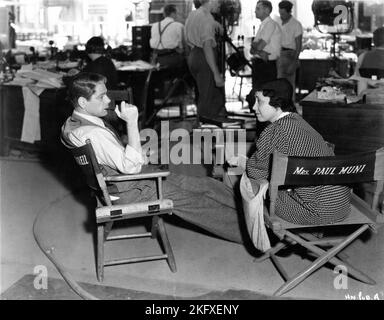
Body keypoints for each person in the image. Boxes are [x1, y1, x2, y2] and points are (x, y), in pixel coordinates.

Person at [61, 72, 244, 244]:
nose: (108, 101)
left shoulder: (73, 124)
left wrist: (140, 155)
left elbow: (113, 157)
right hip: (130, 190)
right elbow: (130, 167)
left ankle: (251, 212)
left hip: (124, 183)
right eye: (101, 97)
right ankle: (253, 235)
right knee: (199, 203)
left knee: (205, 184)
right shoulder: (93, 133)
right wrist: (132, 122)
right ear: (83, 102)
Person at [244, 79, 351, 225]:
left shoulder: (272, 131)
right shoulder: (300, 121)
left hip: (315, 212)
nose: (254, 107)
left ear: (277, 103)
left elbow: (256, 173)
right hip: (341, 205)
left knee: (249, 184)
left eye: (259, 101)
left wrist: (245, 164)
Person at [185, 0, 227, 120]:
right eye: (218, 2)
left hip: (193, 55)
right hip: (204, 57)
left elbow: (189, 34)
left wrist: (215, 24)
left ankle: (207, 126)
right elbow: (207, 46)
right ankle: (203, 130)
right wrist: (216, 74)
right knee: (207, 98)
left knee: (211, 95)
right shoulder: (207, 19)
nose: (220, 5)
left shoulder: (193, 14)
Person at [250, 0, 281, 90]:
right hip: (260, 63)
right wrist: (259, 52)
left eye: (258, 8)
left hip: (266, 65)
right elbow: (251, 50)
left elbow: (258, 46)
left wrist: (255, 45)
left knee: (266, 95)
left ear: (267, 11)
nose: (255, 11)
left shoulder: (270, 24)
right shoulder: (263, 25)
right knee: (258, 94)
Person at [276, 0, 302, 99]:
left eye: (283, 13)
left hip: (289, 54)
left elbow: (298, 45)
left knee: (289, 85)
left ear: (289, 12)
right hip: (279, 54)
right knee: (279, 84)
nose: (281, 15)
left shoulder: (296, 24)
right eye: (280, 13)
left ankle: (290, 107)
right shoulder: (278, 21)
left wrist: (294, 62)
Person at [149, 4, 185, 69]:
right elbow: (182, 46)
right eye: (177, 13)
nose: (177, 15)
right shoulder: (178, 26)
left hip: (156, 58)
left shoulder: (154, 25)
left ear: (164, 14)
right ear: (173, 13)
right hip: (172, 59)